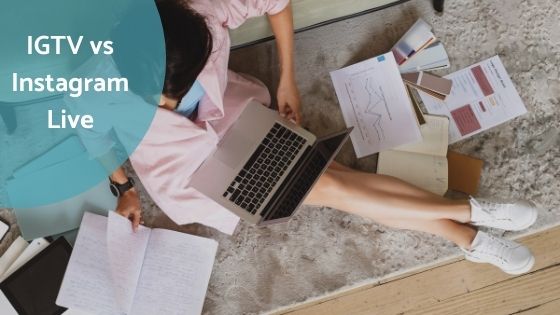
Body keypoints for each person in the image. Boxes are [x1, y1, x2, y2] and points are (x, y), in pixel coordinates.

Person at [108, 0, 538, 275]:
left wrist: (287, 82)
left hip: (239, 120)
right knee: (330, 182)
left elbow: (276, 3)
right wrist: (124, 188)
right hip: (192, 174)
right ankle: (468, 218)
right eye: (160, 100)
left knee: (333, 180)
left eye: (177, 92)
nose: (169, 104)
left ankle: (470, 236)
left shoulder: (198, 12)